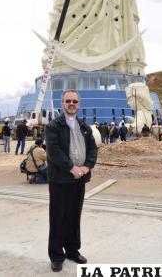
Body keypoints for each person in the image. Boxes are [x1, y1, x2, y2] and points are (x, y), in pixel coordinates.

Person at [45, 89, 97, 272]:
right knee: (58, 217)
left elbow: (93, 150)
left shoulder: (85, 127)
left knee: (74, 217)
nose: (71, 104)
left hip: (79, 179)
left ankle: (72, 250)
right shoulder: (53, 126)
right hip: (60, 180)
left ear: (79, 104)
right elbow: (54, 151)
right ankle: (57, 255)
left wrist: (86, 166)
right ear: (62, 104)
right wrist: (71, 168)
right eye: (68, 101)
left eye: (75, 101)